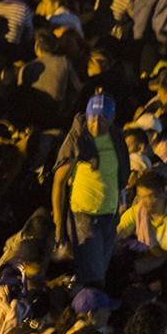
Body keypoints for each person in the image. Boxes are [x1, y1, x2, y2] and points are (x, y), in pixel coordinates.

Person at [52, 92, 129, 286]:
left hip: (109, 217)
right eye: (92, 118)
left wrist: (121, 206)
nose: (96, 125)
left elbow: (119, 174)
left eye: (102, 119)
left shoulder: (117, 139)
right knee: (95, 280)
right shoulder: (77, 140)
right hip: (84, 217)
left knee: (96, 275)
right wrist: (59, 223)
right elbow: (59, 182)